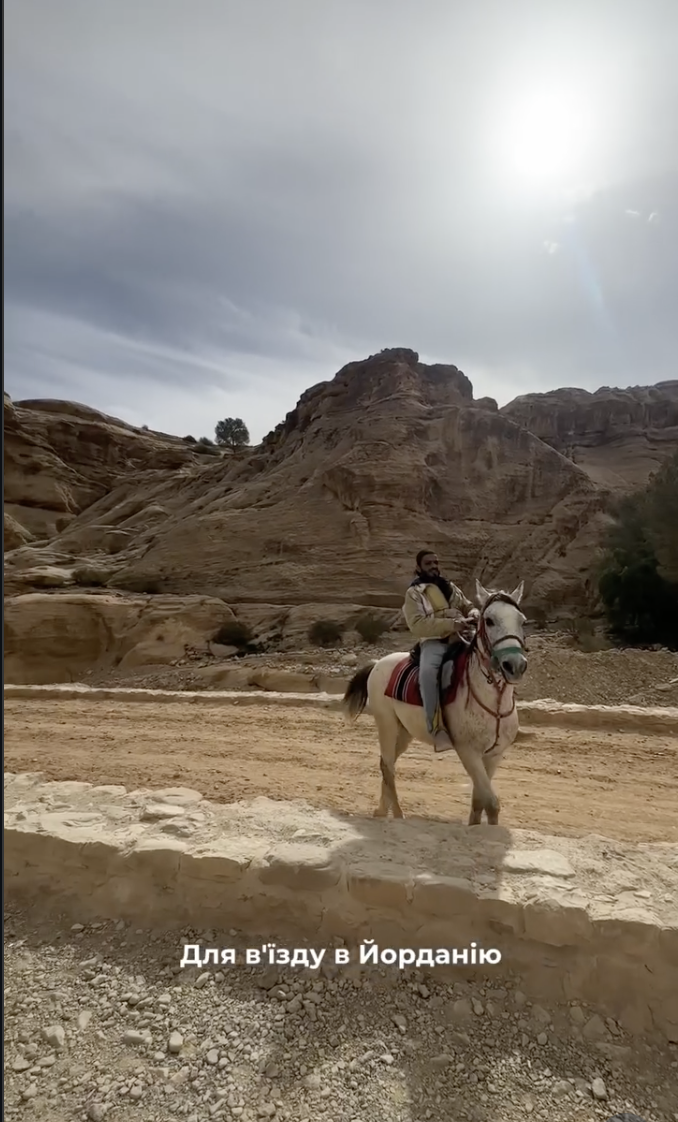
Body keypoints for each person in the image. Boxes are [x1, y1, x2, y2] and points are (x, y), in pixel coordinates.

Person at [402, 549, 478, 753]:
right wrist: (451, 625)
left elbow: (467, 605)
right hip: (434, 642)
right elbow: (417, 624)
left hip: (463, 637)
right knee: (428, 675)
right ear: (418, 567)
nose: (434, 566)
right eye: (428, 563)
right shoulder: (414, 593)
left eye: (436, 562)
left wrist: (473, 612)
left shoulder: (450, 587)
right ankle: (436, 729)